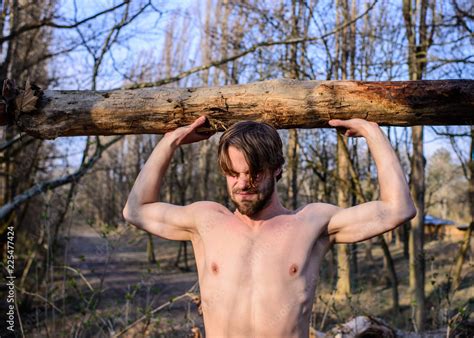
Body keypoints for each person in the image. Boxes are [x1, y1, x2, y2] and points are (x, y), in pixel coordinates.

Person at [123, 116, 416, 337]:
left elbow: (397, 209)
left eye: (254, 173)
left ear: (277, 169)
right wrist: (171, 140)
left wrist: (372, 132)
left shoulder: (311, 223)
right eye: (232, 173)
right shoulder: (206, 221)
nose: (241, 184)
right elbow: (136, 210)